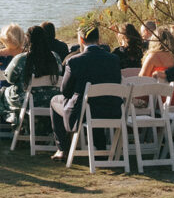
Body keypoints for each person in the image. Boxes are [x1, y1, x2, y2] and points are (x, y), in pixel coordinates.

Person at [49, 24, 122, 161]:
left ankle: (62, 149)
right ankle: (100, 147)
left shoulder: (74, 61)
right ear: (99, 39)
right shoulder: (114, 59)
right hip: (111, 109)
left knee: (54, 101)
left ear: (81, 40)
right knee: (95, 101)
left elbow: (65, 91)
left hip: (83, 112)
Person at [0, 24, 62, 124]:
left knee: (2, 92)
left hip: (27, 101)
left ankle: (8, 115)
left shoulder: (22, 59)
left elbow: (10, 79)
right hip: (51, 100)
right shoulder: (56, 57)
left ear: (28, 40)